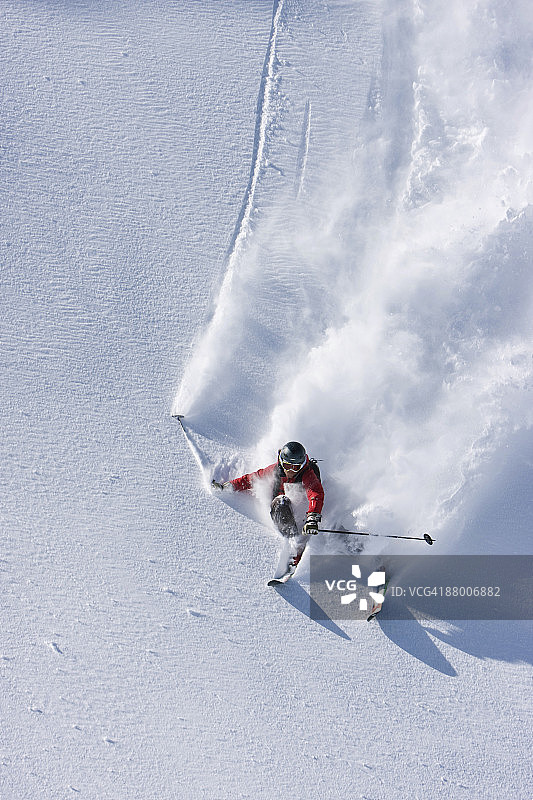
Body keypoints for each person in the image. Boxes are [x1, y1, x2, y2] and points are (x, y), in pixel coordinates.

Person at [212, 441, 324, 538]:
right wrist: (228, 486)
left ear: (302, 465)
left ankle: (302, 535)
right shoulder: (275, 470)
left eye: (296, 467)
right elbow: (251, 479)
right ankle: (290, 539)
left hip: (305, 507)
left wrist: (312, 518)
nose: (291, 471)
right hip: (282, 508)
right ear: (282, 462)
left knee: (290, 500)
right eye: (287, 466)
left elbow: (315, 493)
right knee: (281, 501)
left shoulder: (307, 474)